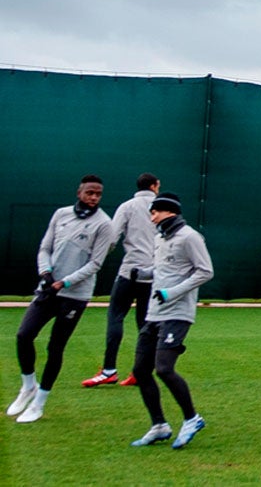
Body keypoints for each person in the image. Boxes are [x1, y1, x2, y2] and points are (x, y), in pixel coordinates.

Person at [7, 175, 114, 423]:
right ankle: (28, 387)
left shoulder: (104, 224)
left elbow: (95, 264)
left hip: (75, 295)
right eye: (90, 192)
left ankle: (39, 403)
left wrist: (64, 282)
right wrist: (45, 273)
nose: (94, 197)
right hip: (48, 290)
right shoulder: (61, 214)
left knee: (55, 347)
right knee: (24, 335)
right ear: (79, 192)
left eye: (98, 194)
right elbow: (45, 248)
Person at [129, 193, 214, 449]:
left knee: (164, 368)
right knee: (140, 370)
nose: (151, 216)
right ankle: (159, 425)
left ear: (168, 212)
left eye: (154, 211)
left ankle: (192, 418)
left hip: (178, 313)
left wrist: (172, 292)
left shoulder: (190, 237)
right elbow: (163, 269)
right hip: (154, 313)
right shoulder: (159, 238)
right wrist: (143, 274)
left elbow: (206, 271)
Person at [82, 172, 160, 388]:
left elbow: (111, 239)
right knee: (145, 323)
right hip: (154, 274)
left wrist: (93, 261)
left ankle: (109, 370)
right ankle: (140, 371)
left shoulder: (127, 206)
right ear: (154, 186)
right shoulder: (163, 206)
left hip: (130, 271)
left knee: (115, 316)